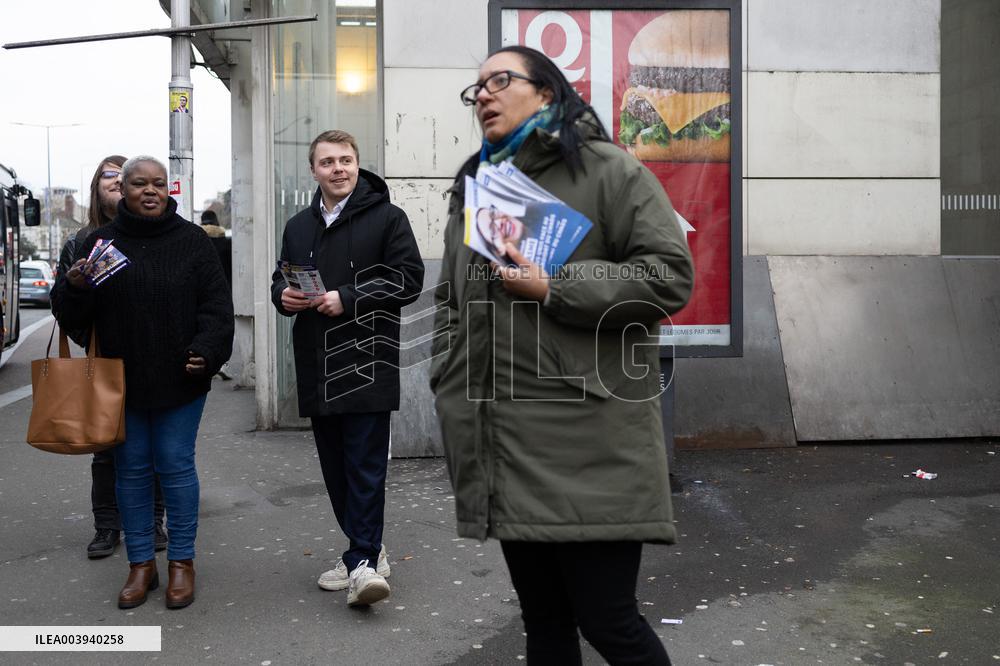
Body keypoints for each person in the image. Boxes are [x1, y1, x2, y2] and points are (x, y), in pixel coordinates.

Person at [431, 46, 694, 664]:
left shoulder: (607, 171)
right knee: (544, 623)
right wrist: (448, 372)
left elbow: (667, 276)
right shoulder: (477, 183)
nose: (484, 97)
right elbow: (453, 300)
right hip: (504, 436)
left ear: (546, 93)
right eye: (476, 90)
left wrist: (555, 286)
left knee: (609, 622)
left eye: (500, 81)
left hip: (589, 439)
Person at [52, 156, 234, 610]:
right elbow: (75, 320)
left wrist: (208, 352)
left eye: (158, 183)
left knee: (174, 466)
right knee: (131, 471)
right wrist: (75, 288)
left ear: (167, 190)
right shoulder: (100, 243)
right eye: (138, 183)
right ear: (123, 190)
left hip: (181, 379)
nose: (150, 191)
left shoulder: (193, 242)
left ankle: (181, 564)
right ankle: (140, 566)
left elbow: (217, 308)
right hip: (120, 381)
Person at [270, 130, 423, 607]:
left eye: (347, 160)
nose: (339, 168)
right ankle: (368, 551)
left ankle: (360, 563)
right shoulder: (297, 225)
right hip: (317, 362)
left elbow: (409, 278)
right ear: (313, 170)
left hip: (366, 361)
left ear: (358, 165)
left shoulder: (388, 218)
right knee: (336, 470)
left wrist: (350, 298)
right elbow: (283, 275)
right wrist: (284, 296)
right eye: (328, 162)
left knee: (365, 467)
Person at [52, 155, 168, 560]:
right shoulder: (79, 241)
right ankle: (107, 525)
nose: (119, 184)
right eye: (110, 178)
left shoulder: (152, 235)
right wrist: (95, 341)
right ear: (97, 188)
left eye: (126, 178)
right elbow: (63, 304)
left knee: (151, 447)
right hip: (103, 358)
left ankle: (153, 522)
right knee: (105, 447)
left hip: (150, 358)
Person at [199, 209, 232, 286]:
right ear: (216, 221)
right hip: (224, 286)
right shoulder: (226, 242)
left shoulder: (195, 241)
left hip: (203, 289)